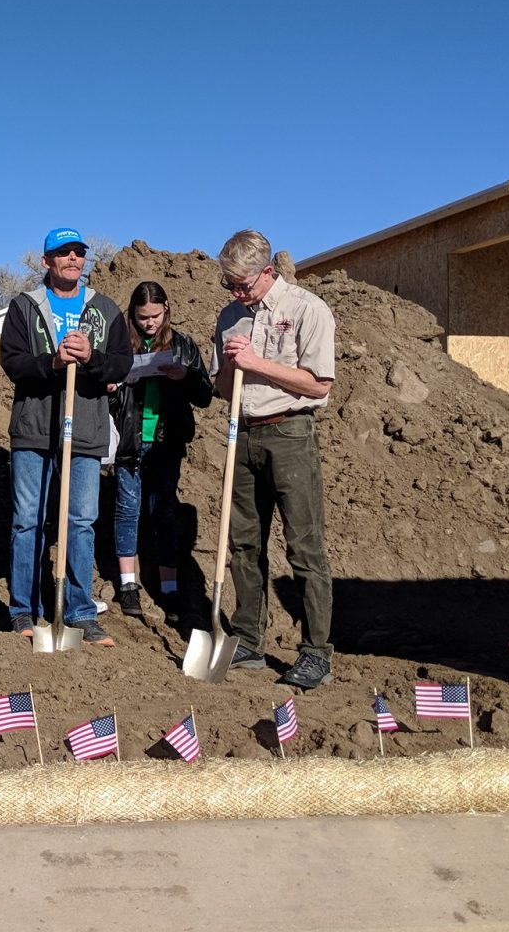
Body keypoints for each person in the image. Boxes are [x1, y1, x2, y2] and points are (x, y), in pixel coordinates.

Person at [213, 229, 336, 689]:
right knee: (244, 543)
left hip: (289, 433)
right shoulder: (230, 316)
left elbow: (319, 384)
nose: (236, 293)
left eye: (242, 285)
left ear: (267, 271)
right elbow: (222, 388)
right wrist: (231, 366)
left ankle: (316, 652)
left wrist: (256, 363)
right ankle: (248, 637)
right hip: (242, 433)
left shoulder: (307, 309)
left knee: (304, 545)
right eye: (229, 285)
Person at [0, 227, 133, 646]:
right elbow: (13, 363)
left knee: (81, 523)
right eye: (63, 253)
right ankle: (24, 609)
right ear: (46, 261)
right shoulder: (24, 307)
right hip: (34, 430)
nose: (73, 258)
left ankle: (79, 611)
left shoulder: (104, 309)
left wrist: (91, 358)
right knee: (28, 522)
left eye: (78, 252)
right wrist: (53, 363)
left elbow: (122, 363)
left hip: (86, 430)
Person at [108, 281, 213, 625]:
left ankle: (169, 588)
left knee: (163, 512)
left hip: (167, 441)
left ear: (166, 309)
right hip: (129, 439)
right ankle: (128, 584)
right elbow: (104, 391)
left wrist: (185, 375)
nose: (149, 323)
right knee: (127, 508)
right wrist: (113, 385)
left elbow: (204, 395)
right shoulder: (121, 345)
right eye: (142, 317)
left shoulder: (182, 345)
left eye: (155, 316)